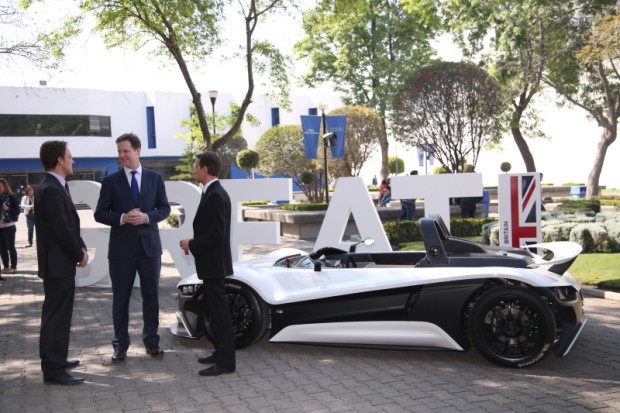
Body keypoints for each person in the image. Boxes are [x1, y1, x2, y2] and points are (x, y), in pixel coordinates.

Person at [94, 133, 170, 363]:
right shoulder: (110, 181)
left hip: (149, 250)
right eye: (119, 151)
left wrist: (147, 217)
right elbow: (99, 213)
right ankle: (120, 345)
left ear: (138, 150)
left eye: (125, 151)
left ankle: (152, 342)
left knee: (151, 298)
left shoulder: (155, 178)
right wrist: (122, 218)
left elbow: (165, 208)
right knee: (120, 299)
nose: (121, 156)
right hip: (121, 251)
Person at [35, 140, 89, 385]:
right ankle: (54, 368)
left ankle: (57, 359)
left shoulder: (56, 186)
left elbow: (69, 224)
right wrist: (79, 254)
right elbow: (61, 229)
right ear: (59, 160)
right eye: (70, 156)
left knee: (59, 315)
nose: (73, 160)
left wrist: (81, 247)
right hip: (57, 265)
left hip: (60, 264)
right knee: (56, 317)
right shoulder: (50, 189)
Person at [179, 151, 235, 377]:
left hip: (214, 265)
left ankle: (226, 362)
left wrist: (190, 243)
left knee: (220, 314)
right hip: (212, 264)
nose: (194, 169)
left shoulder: (214, 195)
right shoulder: (212, 192)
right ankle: (219, 353)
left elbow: (215, 235)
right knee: (215, 311)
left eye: (195, 165)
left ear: (204, 168)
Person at [0, 178, 20, 276]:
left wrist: (8, 208)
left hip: (9, 226)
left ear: (4, 186)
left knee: (10, 247)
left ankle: (13, 266)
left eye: (0, 186)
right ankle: (6, 266)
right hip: (0, 227)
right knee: (2, 248)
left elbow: (17, 211)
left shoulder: (11, 197)